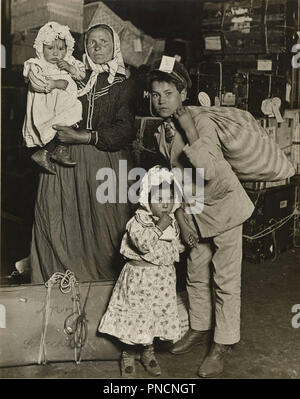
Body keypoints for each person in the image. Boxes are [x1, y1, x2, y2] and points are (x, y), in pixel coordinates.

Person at [148, 58, 255, 378]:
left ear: (183, 93)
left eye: (168, 93)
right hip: (194, 211)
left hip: (224, 207)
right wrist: (180, 217)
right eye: (155, 94)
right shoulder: (160, 130)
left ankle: (222, 344)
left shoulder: (202, 120)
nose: (161, 100)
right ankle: (198, 328)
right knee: (195, 273)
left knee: (225, 280)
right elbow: (172, 179)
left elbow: (207, 169)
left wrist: (190, 128)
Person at [30, 23, 136, 283]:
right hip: (64, 162)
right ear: (84, 47)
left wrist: (83, 136)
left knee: (104, 229)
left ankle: (104, 292)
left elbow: (125, 130)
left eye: (104, 42)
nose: (97, 47)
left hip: (103, 163)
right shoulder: (71, 76)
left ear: (115, 47)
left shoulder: (124, 84)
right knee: (58, 222)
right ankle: (59, 285)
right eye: (91, 42)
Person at [98, 166, 185, 377]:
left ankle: (148, 352)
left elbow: (174, 247)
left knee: (154, 317)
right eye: (159, 198)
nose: (165, 203)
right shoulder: (138, 221)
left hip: (161, 281)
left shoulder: (172, 222)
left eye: (170, 198)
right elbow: (143, 244)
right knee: (135, 319)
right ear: (146, 199)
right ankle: (128, 354)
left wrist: (180, 244)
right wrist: (159, 227)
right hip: (139, 280)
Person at [23, 22, 86, 174]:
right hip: (47, 105)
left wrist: (70, 69)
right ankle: (44, 151)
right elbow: (36, 84)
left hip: (66, 103)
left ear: (68, 48)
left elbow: (82, 74)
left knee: (72, 118)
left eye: (61, 48)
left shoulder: (69, 61)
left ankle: (59, 150)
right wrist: (56, 83)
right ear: (40, 47)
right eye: (50, 48)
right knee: (52, 126)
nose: (56, 53)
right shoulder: (36, 65)